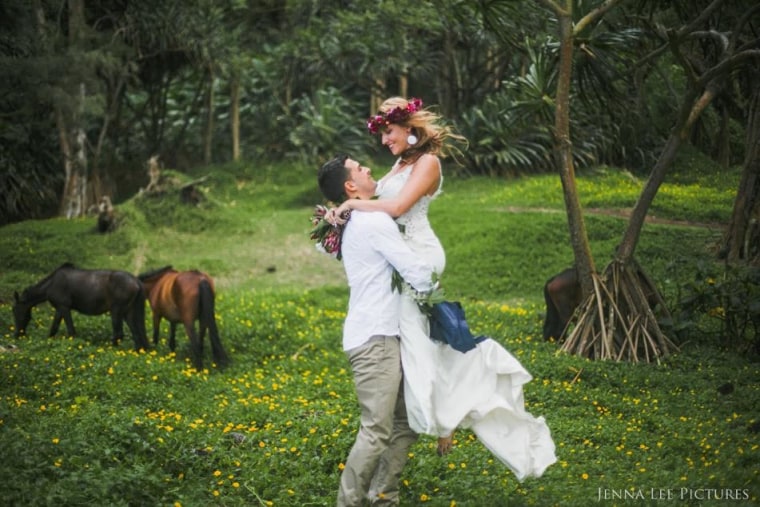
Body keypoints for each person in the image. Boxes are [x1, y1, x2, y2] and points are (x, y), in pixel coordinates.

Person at [327, 97, 557, 481]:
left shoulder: (428, 163)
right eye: (382, 133)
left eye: (389, 132)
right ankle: (433, 409)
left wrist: (351, 203)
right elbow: (377, 203)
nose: (384, 141)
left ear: (408, 127)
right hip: (399, 258)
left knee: (417, 340)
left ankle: (440, 413)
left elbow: (398, 207)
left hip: (418, 255)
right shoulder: (400, 163)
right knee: (420, 340)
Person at [318, 153, 437, 506]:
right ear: (350, 186)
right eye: (360, 168)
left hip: (384, 335)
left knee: (404, 423)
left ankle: (384, 497)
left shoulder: (360, 218)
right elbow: (413, 269)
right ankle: (348, 502)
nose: (368, 168)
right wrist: (434, 291)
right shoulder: (372, 222)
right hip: (376, 339)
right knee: (377, 429)